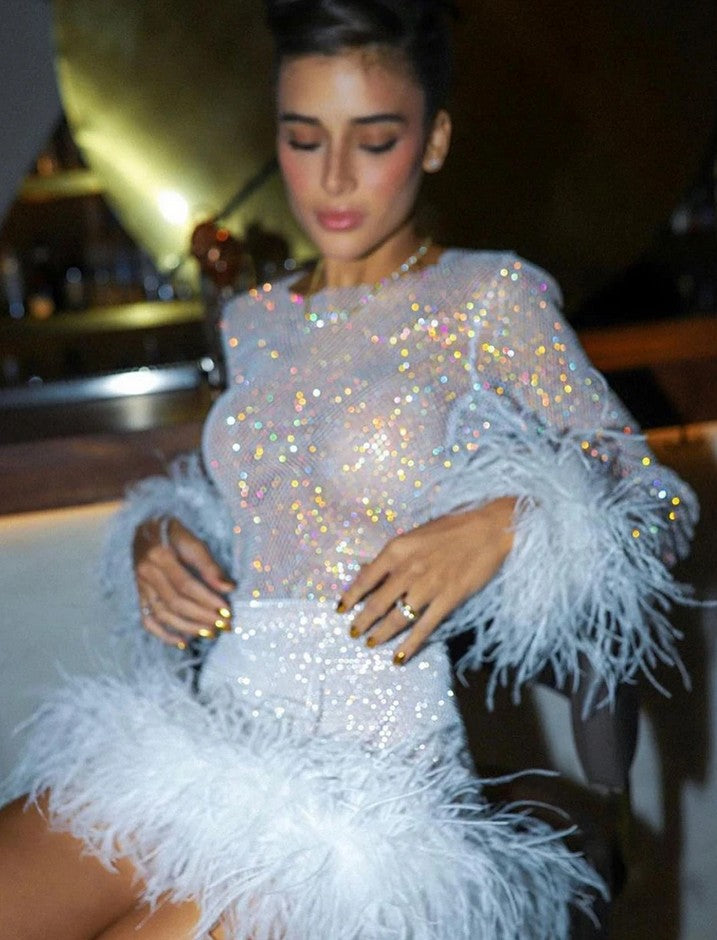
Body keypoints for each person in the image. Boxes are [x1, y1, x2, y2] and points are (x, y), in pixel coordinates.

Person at [0, 1, 698, 937]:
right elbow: (268, 503)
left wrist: (509, 521)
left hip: (366, 792)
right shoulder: (254, 319)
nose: (331, 178)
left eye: (373, 141)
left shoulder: (486, 296)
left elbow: (658, 506)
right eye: (302, 138)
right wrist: (164, 535)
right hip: (214, 734)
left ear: (434, 140)